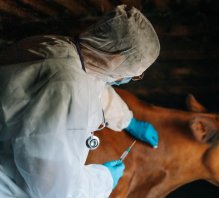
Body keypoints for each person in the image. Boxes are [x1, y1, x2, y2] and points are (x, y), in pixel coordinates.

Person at [0, 4, 160, 197]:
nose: (130, 79)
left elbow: (96, 84)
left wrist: (127, 120)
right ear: (115, 60)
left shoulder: (55, 45)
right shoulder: (68, 89)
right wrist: (105, 178)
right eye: (136, 74)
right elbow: (57, 189)